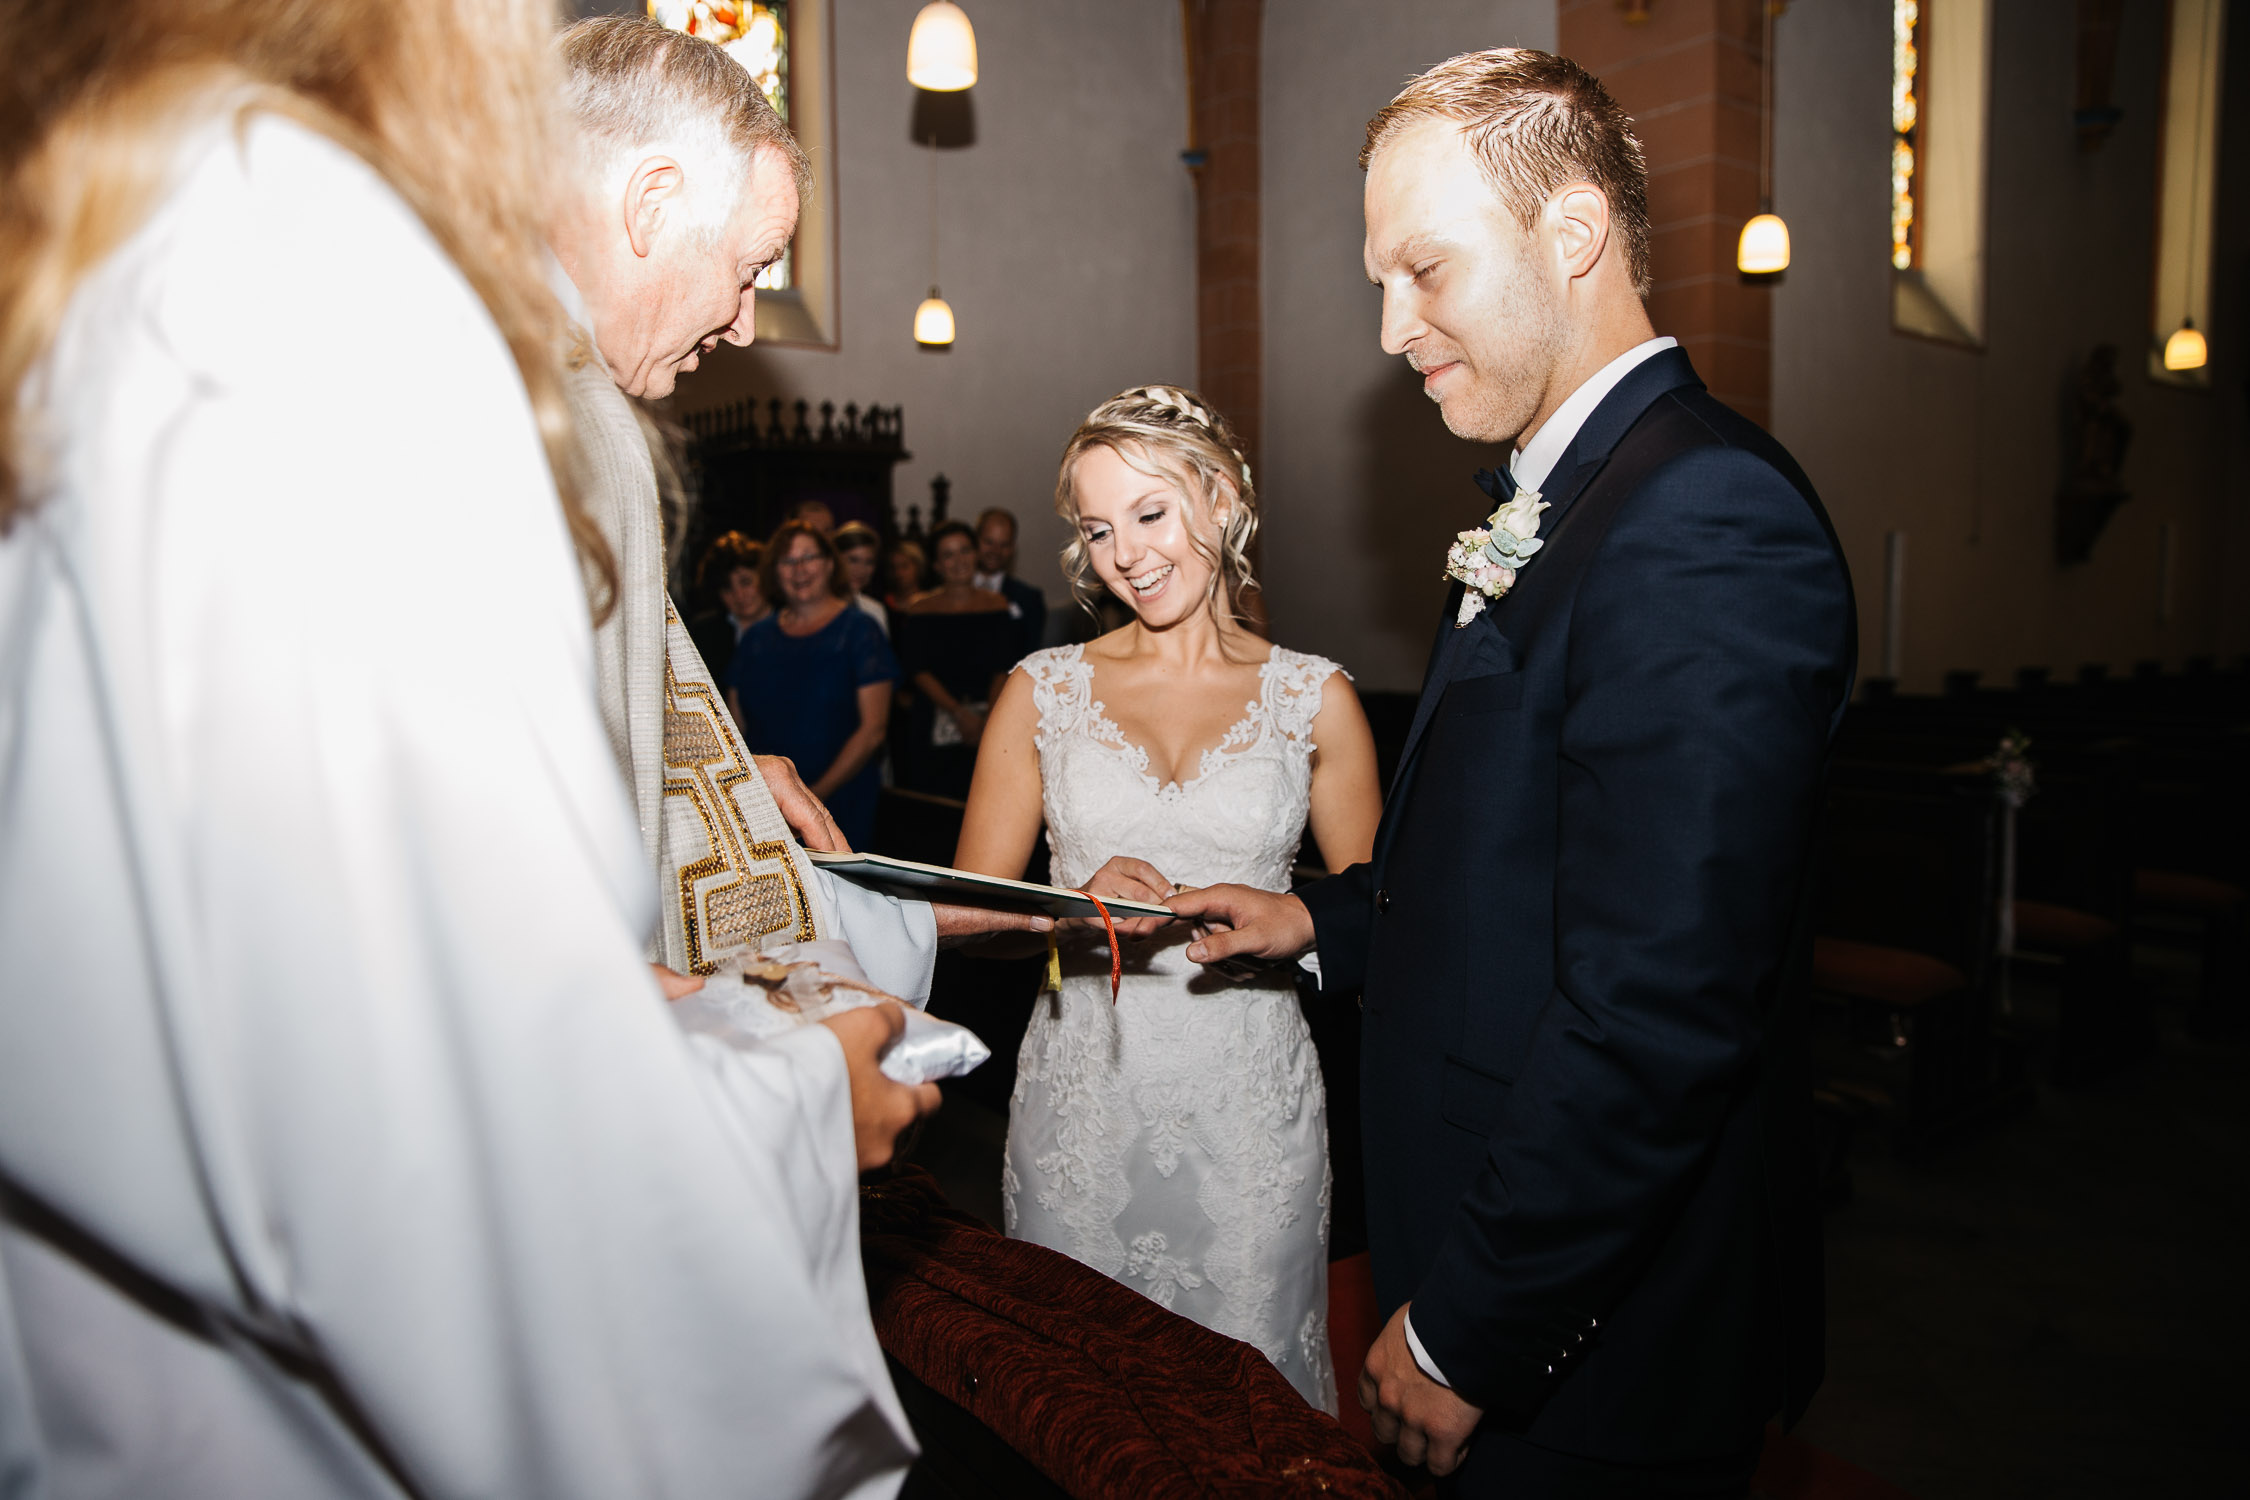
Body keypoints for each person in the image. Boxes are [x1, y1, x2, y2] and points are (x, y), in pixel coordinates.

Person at [0, 3, 940, 1496]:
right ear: (648, 204)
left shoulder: (147, 236)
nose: (747, 319)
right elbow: (443, 1119)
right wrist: (796, 1108)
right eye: (748, 267)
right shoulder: (378, 316)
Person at [1168, 50, 1854, 1494]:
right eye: (1376, 278)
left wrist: (1477, 1327)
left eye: (1421, 269)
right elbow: (1515, 869)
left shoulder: (1702, 517)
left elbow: (1659, 1005)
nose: (1387, 325)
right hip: (1493, 1248)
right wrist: (1318, 922)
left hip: (1589, 1339)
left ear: (1570, 235)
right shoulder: (1568, 493)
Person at [954, 385, 1383, 1412]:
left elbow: (1385, 914)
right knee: (1079, 1405)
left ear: (1223, 500)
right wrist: (1065, 910)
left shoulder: (1314, 697)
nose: (1126, 554)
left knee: (1245, 1418)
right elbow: (964, 920)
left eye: (1150, 514)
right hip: (1084, 1100)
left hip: (1248, 1110)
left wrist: (1301, 924)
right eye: (1098, 529)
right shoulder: (1041, 690)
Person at [725, 522, 897, 849]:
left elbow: (873, 730)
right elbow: (735, 723)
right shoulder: (756, 637)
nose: (799, 569)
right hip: (768, 804)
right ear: (774, 571)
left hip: (841, 798)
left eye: (809, 557)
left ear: (830, 564)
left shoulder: (860, 630)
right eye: (788, 561)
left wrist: (815, 793)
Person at [894, 520, 1021, 799]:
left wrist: (987, 717)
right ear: (937, 565)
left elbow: (1004, 666)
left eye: (964, 550)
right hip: (933, 724)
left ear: (975, 554)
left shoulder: (997, 604)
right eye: (948, 554)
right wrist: (959, 713)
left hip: (989, 721)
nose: (959, 560)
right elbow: (918, 670)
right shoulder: (920, 609)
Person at [688, 530, 769, 684]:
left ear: (764, 575)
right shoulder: (704, 633)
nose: (739, 595)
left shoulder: (794, 624)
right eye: (727, 588)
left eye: (746, 582)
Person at [973, 506, 1048, 657]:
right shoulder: (947, 590)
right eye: (989, 542)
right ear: (975, 540)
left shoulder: (1029, 599)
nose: (995, 551)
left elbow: (1031, 655)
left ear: (1013, 548)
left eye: (1004, 545)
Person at [833, 520, 891, 635]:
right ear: (835, 559)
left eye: (869, 562)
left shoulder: (875, 610)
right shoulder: (813, 606)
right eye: (853, 560)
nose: (861, 570)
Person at [884, 538, 930, 613]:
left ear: (918, 567)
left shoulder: (931, 602)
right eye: (893, 567)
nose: (898, 572)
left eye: (904, 566)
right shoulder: (883, 602)